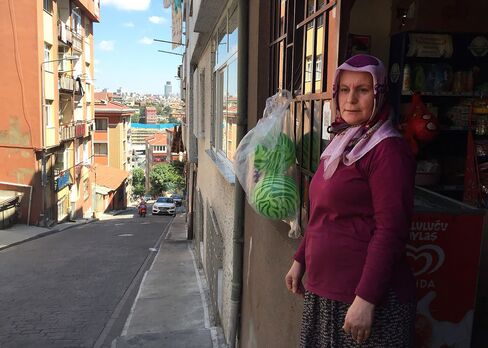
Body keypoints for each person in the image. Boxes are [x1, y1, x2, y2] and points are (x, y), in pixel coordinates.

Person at [285, 54, 417, 347]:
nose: (351, 99)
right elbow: (323, 212)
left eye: (363, 90)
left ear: (379, 93)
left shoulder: (387, 151)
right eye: (344, 89)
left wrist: (366, 299)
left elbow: (391, 231)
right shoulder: (342, 141)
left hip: (364, 300)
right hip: (326, 292)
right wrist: (300, 259)